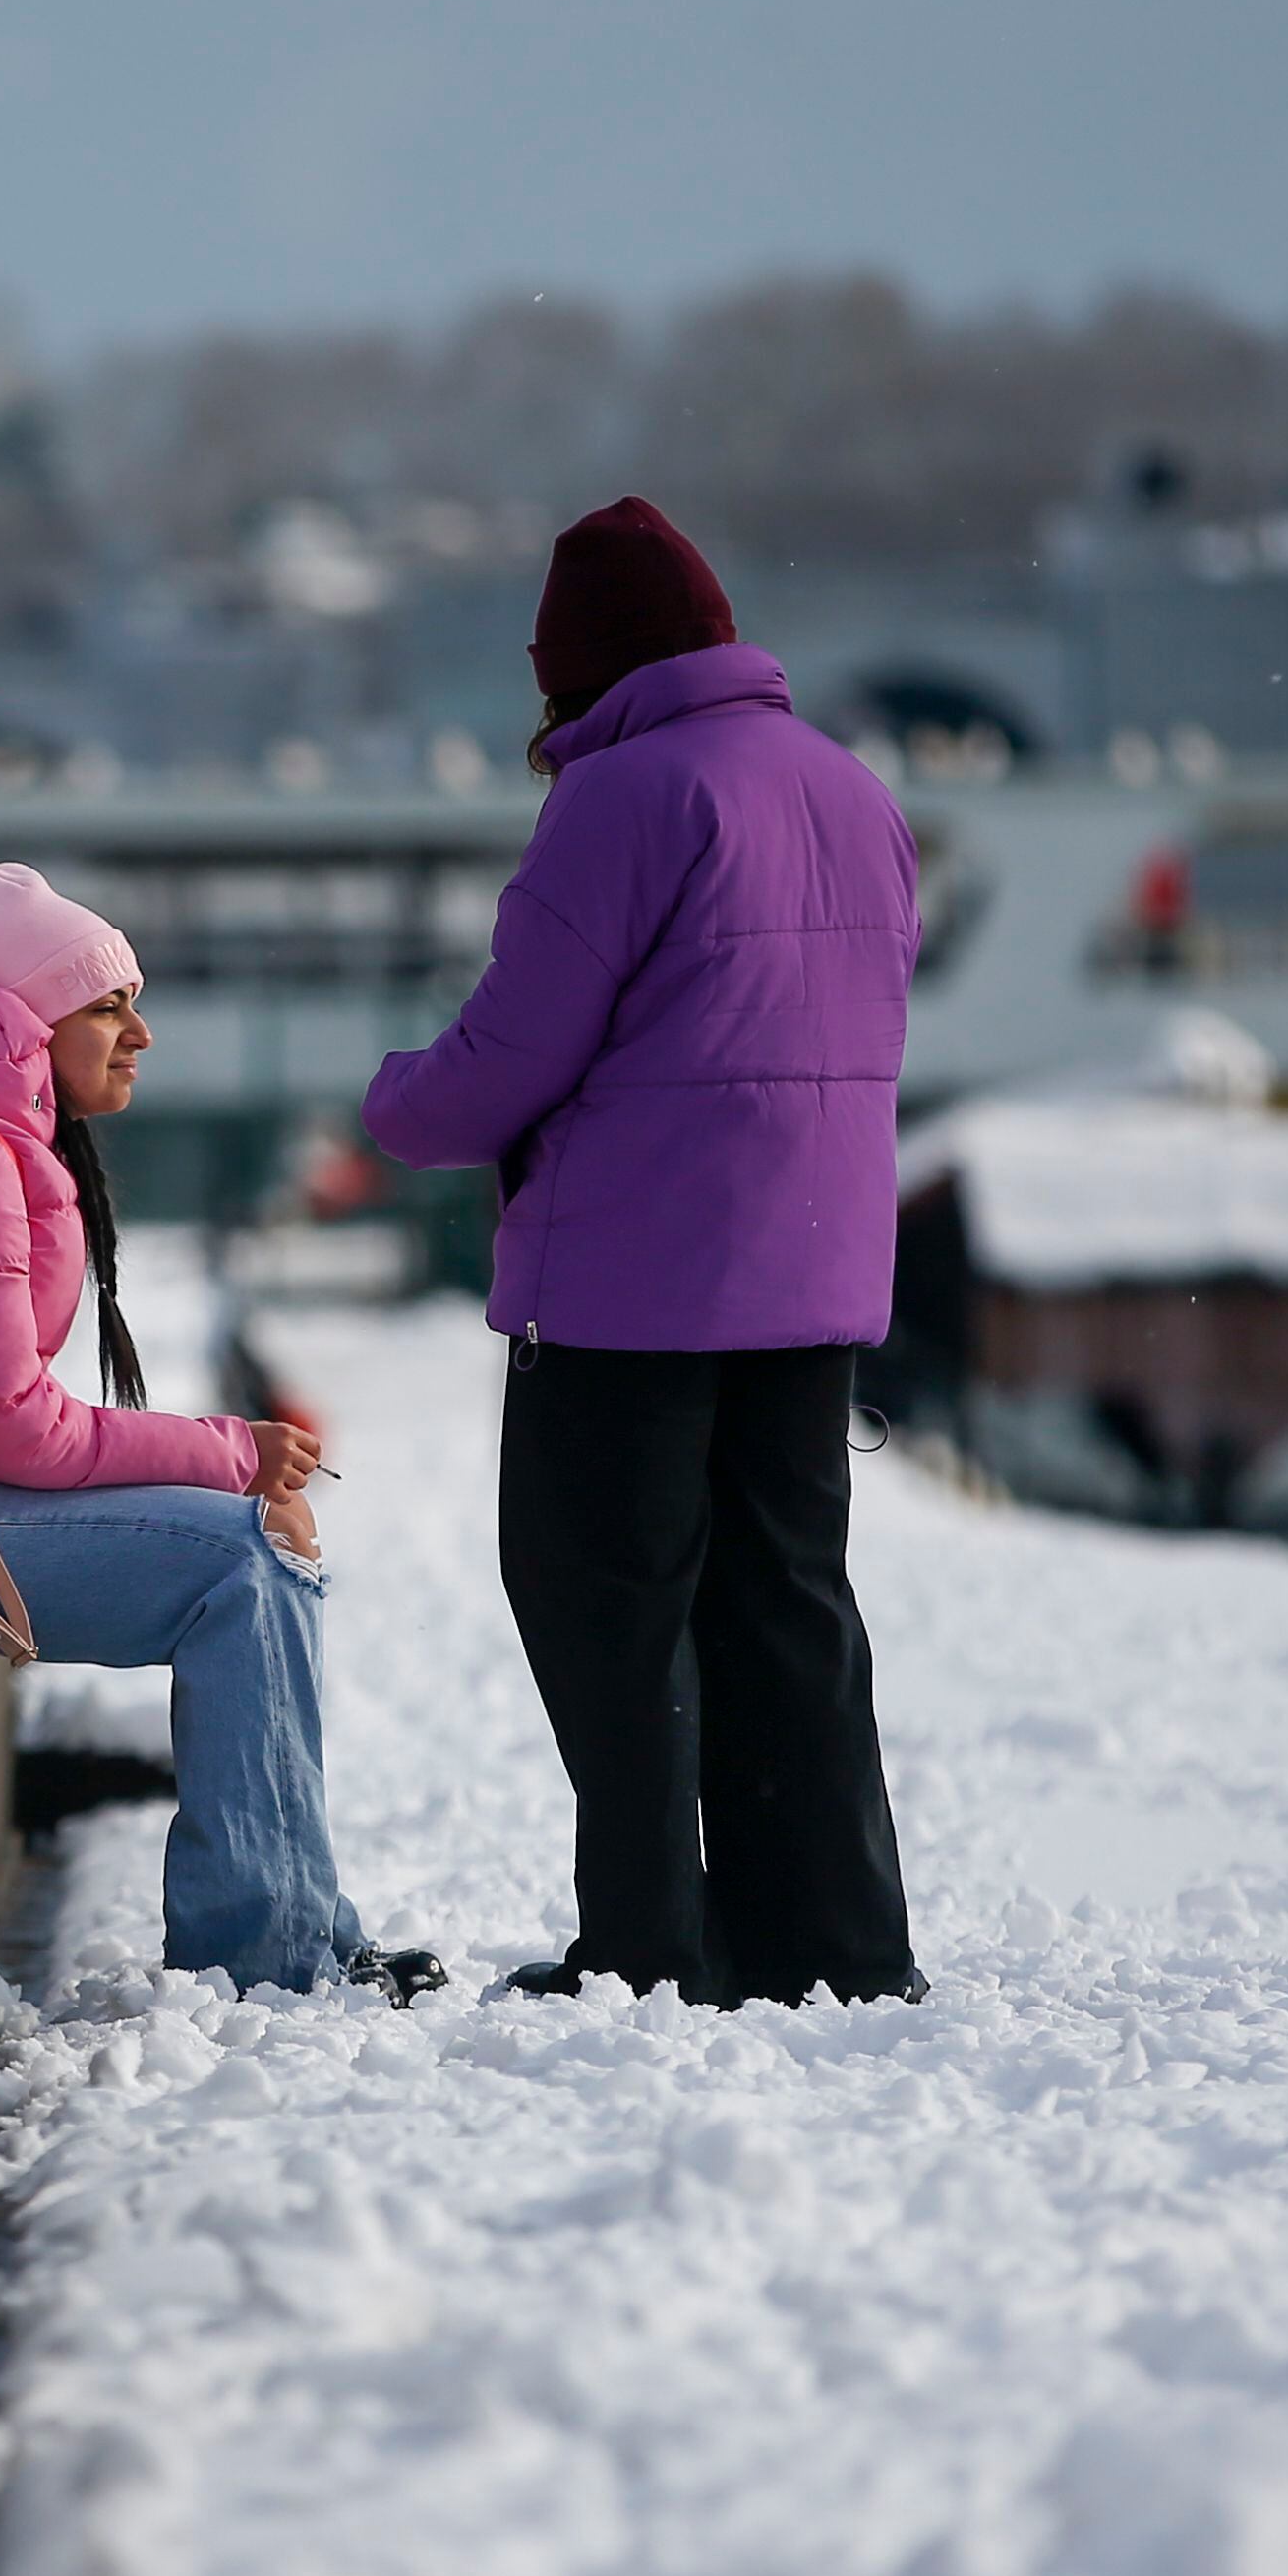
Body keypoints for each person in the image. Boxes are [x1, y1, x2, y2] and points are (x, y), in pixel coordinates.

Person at [359, 497, 929, 2009]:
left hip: (632, 1292)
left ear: (583, 671)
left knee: (608, 1609)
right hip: (813, 1282)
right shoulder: (854, 794)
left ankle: (648, 1947)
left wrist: (390, 1101)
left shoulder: (622, 797)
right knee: (788, 1604)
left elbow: (507, 1058)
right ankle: (833, 1944)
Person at [0, 863, 441, 2005]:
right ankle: (269, 1951)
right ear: (29, 1021)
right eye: (109, 1006)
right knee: (240, 1556)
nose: (141, 1034)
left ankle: (287, 1930)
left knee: (246, 1541)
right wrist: (232, 1453)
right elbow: (14, 1433)